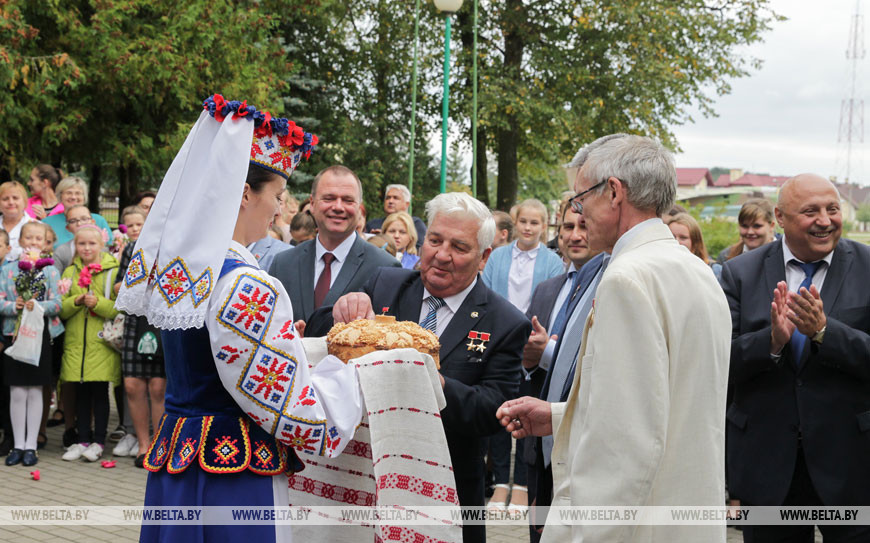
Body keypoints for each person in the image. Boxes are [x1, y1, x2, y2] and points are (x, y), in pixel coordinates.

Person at [114, 95, 363, 543]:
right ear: (245, 193)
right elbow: (293, 413)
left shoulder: (184, 272)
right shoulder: (245, 283)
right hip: (232, 474)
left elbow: (214, 363)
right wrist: (353, 373)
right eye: (279, 196)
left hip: (180, 458)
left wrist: (286, 348)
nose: (283, 210)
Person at [498, 135, 731, 542]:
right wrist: (559, 416)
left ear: (614, 192)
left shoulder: (627, 279)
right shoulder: (694, 270)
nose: (577, 210)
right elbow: (668, 403)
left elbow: (625, 443)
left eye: (580, 196)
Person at [327, 192, 531, 543]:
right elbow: (327, 339)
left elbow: (493, 410)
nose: (441, 255)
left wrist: (430, 384)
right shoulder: (384, 284)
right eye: (435, 240)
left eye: (459, 247)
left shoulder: (506, 322)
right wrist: (343, 307)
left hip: (446, 492)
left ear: (484, 257)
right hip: (368, 481)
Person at [721, 174, 870, 542]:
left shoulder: (868, 266)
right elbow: (719, 362)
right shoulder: (740, 272)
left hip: (851, 461)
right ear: (781, 217)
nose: (825, 219)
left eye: (832, 209)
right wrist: (770, 342)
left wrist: (825, 332)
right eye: (810, 211)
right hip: (767, 461)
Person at [269, 165, 400, 323]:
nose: (338, 207)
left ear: (359, 207)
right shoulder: (283, 263)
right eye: (329, 198)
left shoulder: (386, 268)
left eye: (348, 200)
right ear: (312, 203)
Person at [0, 222, 64, 467]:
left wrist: (37, 306)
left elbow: (57, 303)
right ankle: (17, 444)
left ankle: (31, 445)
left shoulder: (50, 271)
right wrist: (12, 306)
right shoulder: (8, 268)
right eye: (29, 237)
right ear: (20, 239)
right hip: (14, 334)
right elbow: (1, 299)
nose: (33, 242)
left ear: (46, 242)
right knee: (17, 391)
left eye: (39, 238)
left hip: (40, 335)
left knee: (36, 389)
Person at [59, 225, 121, 463]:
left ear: (101, 245)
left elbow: (119, 308)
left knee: (100, 395)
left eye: (91, 244)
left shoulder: (112, 272)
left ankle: (98, 441)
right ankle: (82, 439)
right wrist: (75, 301)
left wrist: (99, 304)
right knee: (81, 394)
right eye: (81, 244)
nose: (86, 248)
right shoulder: (69, 273)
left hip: (101, 345)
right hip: (76, 345)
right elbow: (60, 308)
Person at [109, 206, 164, 467]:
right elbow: (118, 286)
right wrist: (137, 280)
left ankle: (160, 445)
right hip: (135, 320)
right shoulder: (133, 249)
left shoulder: (171, 247)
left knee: (158, 386)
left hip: (160, 322)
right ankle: (143, 446)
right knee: (132, 385)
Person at [482, 199, 564, 315]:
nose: (527, 228)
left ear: (544, 227)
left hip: (533, 329)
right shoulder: (496, 256)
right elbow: (484, 293)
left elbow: (554, 302)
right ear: (515, 223)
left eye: (534, 223)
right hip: (499, 324)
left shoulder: (553, 262)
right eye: (523, 221)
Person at [42, 177, 112, 248]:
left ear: (84, 197)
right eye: (69, 193)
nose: (73, 197)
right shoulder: (47, 223)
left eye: (78, 193)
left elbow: (110, 247)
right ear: (60, 196)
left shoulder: (99, 220)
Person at [365, 184, 427, 248]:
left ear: (407, 204)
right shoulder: (372, 224)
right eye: (388, 198)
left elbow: (419, 249)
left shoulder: (415, 224)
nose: (390, 201)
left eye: (396, 198)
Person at [717, 197, 776, 263]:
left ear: (771, 226)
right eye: (744, 226)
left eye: (756, 226)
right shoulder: (726, 257)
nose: (750, 232)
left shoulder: (785, 254)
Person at [666, 212, 723, 279]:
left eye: (683, 238)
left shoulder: (715, 271)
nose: (676, 241)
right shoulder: (659, 270)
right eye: (672, 237)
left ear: (695, 242)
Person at [53, 205, 96, 273]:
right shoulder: (62, 251)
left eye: (84, 219)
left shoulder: (103, 249)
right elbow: (55, 278)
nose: (79, 223)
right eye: (73, 221)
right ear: (67, 228)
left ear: (93, 222)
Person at [0, 182, 34, 262]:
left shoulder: (38, 227)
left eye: (15, 198)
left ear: (25, 201)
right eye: (5, 199)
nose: (11, 202)